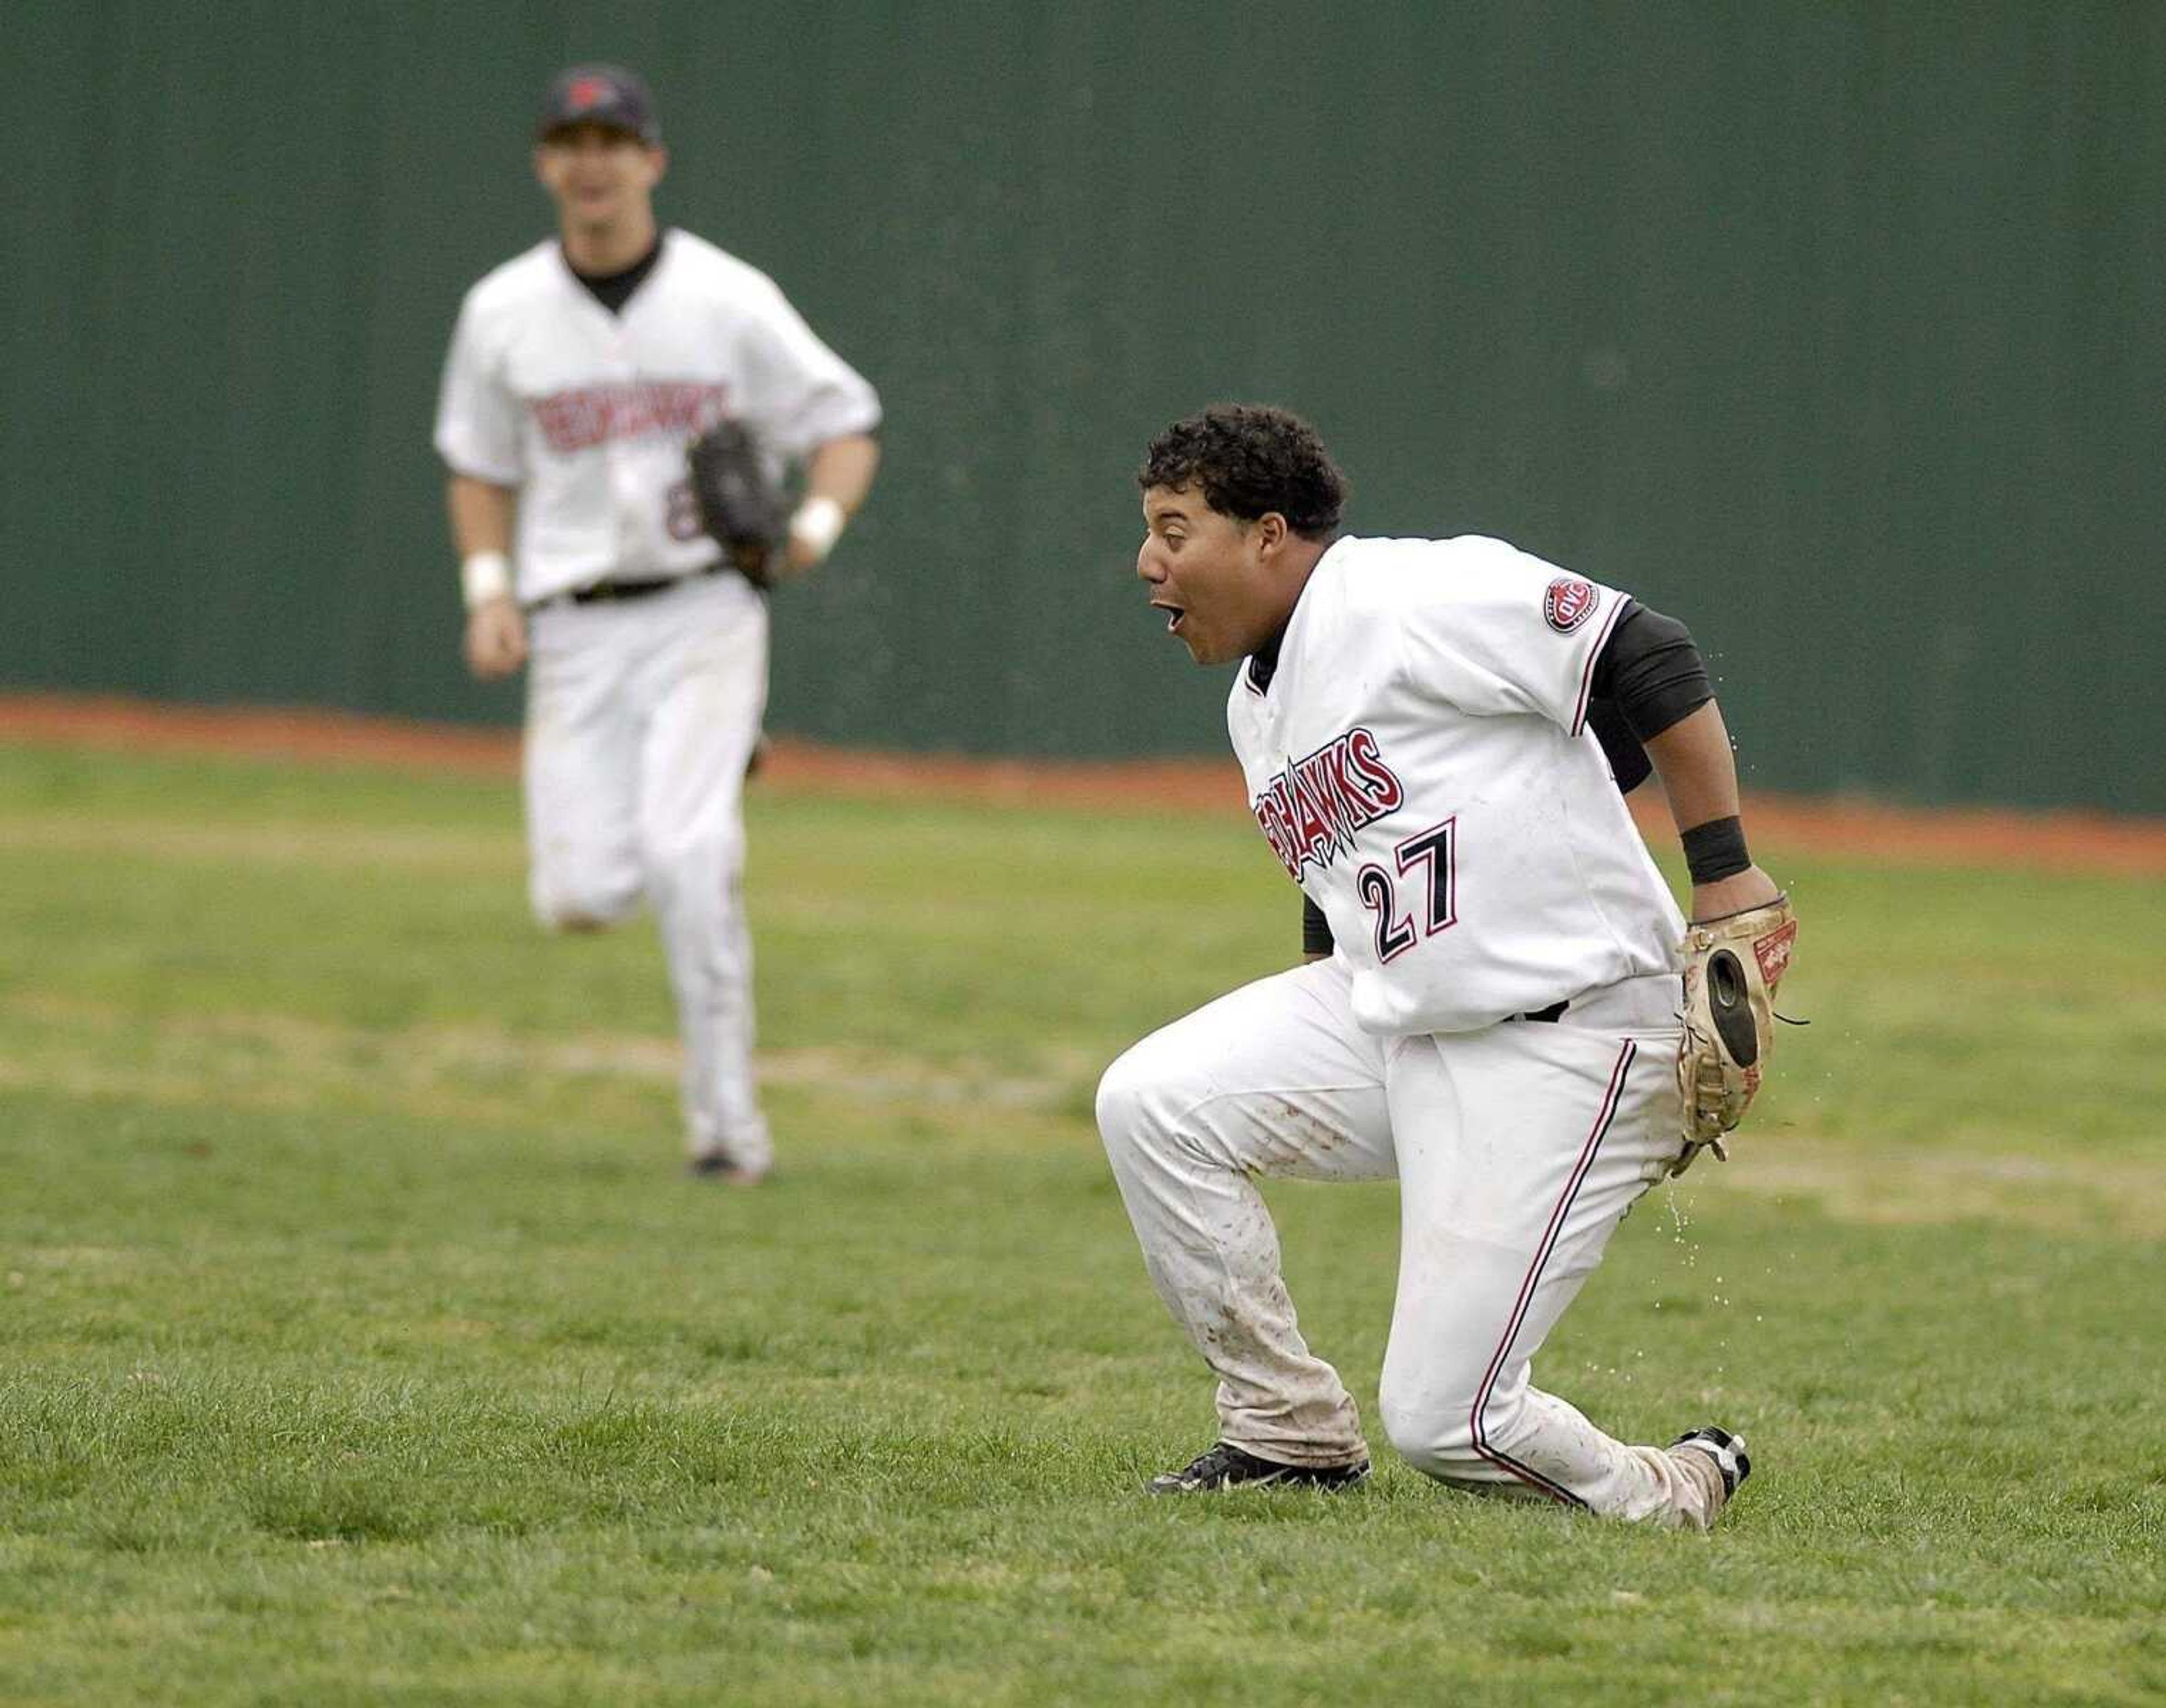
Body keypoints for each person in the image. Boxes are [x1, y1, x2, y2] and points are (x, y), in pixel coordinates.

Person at [1095, 404, 1790, 1527]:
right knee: (1154, 1103)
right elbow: (1347, 872)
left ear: (1269, 534)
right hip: (1414, 1021)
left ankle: (1673, 1488)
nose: (1149, 561)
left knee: (1449, 1422)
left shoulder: (1407, 594)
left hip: (1567, 1034)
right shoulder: (1256, 702)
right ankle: (1287, 1427)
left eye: (1176, 529)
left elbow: (1642, 652)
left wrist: (1723, 874)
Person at [433, 65, 881, 1182]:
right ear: (545, 162)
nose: (592, 161)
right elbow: (477, 463)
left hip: (704, 606)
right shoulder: (502, 310)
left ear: (652, 160)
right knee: (578, 895)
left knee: (689, 859)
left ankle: (728, 1130)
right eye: (570, 140)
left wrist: (812, 528)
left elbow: (847, 421)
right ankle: (721, 761)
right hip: (574, 622)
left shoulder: (724, 297)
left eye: (612, 140)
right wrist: (487, 590)